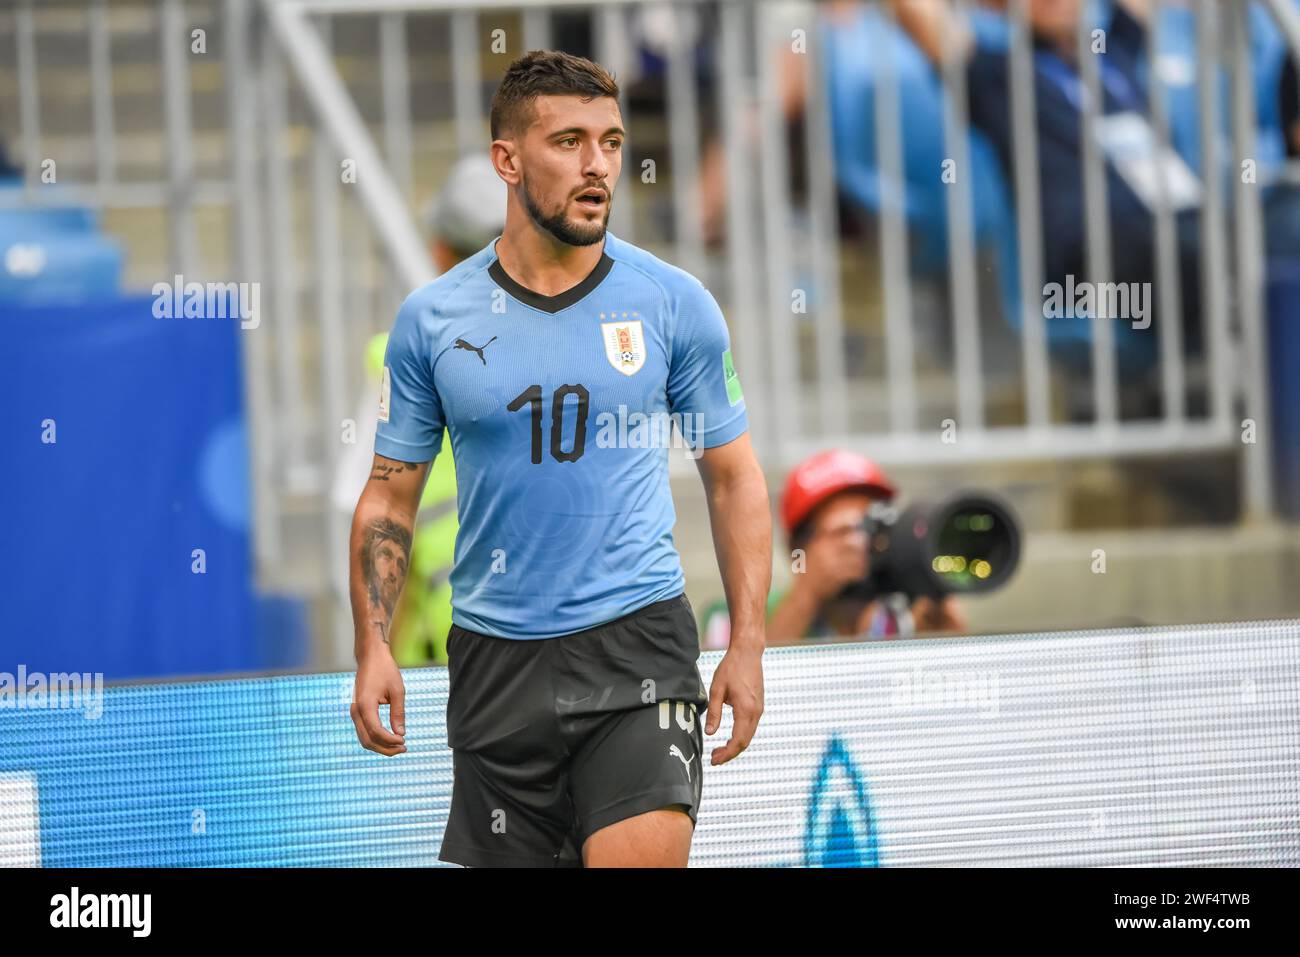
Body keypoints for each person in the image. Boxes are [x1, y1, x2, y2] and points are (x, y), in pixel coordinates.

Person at [348, 50, 771, 868]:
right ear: (508, 159)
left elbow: (735, 477)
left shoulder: (673, 303)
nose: (598, 166)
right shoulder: (431, 321)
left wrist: (747, 644)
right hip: (494, 663)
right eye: (569, 141)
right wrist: (374, 645)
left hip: (637, 648)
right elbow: (388, 500)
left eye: (611, 142)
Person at [332, 154, 507, 668]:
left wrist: (375, 656)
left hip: (437, 659)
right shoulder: (568, 346)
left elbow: (376, 518)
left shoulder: (399, 356)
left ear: (438, 252)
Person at [702, 450, 965, 648]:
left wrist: (944, 626)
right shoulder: (733, 618)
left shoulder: (908, 615)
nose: (861, 544)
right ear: (797, 548)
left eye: (874, 527)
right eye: (844, 531)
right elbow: (734, 698)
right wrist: (806, 599)